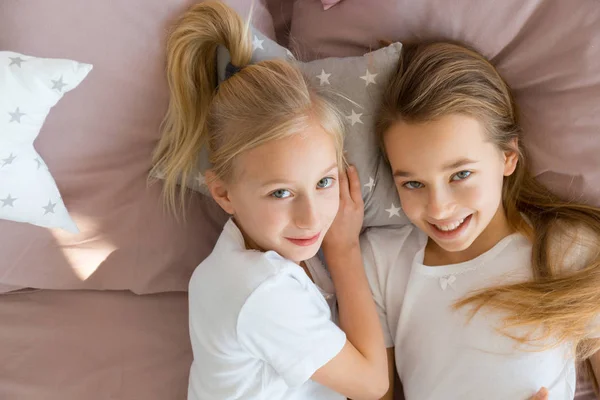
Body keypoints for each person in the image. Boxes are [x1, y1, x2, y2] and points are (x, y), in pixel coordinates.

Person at [151, 1, 388, 399]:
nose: (311, 217)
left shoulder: (245, 257)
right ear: (223, 193)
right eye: (281, 192)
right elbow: (373, 385)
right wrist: (344, 249)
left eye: (325, 182)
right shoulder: (262, 291)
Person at [364, 41, 600, 400]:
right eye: (413, 183)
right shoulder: (380, 261)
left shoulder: (564, 248)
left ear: (508, 156)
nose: (439, 209)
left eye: (460, 175)